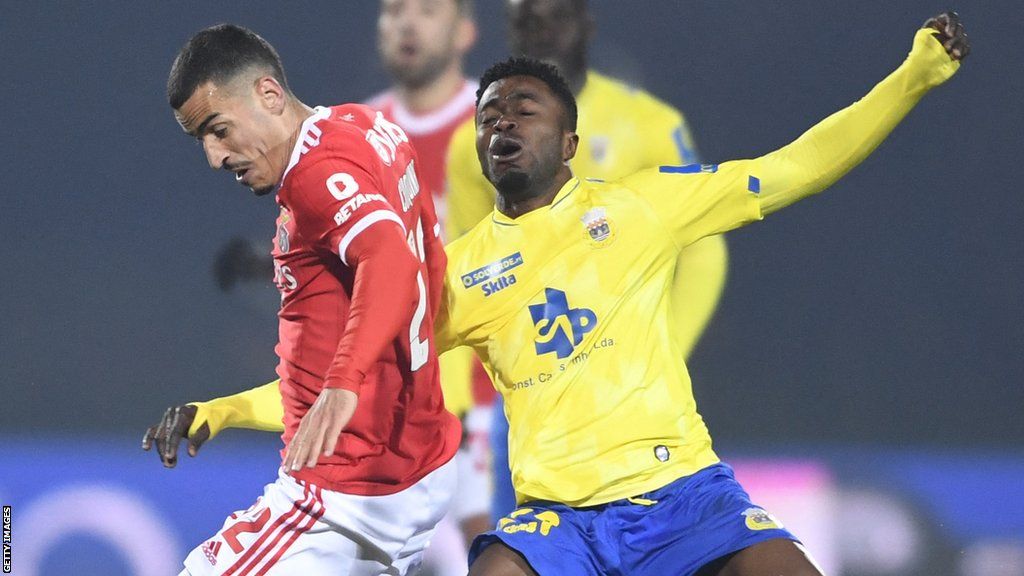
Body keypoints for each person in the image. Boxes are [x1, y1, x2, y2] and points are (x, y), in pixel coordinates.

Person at [150, 12, 970, 575]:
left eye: (525, 108)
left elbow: (797, 166)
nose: (501, 121)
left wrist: (913, 78)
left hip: (687, 496)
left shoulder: (643, 205)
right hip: (560, 526)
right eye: (487, 114)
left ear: (571, 141)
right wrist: (225, 410)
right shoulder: (462, 274)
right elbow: (363, 384)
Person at [143, 24, 461, 575]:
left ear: (268, 95)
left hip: (344, 492)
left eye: (219, 130)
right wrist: (226, 411)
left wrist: (342, 385)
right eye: (202, 140)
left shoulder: (317, 177)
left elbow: (388, 258)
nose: (215, 158)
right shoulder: (367, 127)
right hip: (412, 463)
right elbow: (407, 270)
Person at [204, 0, 494, 549]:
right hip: (408, 406)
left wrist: (341, 383)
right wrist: (276, 263)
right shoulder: (368, 121)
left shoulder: (499, 122)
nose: (407, 23)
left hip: (482, 394)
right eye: (394, 11)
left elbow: (401, 254)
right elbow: (361, 249)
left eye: (427, 10)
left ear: (465, 31)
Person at [443, 0, 730, 523]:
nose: (539, 30)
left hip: (641, 399)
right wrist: (453, 398)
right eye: (524, 19)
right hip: (533, 401)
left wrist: (665, 354)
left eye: (555, 15)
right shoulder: (475, 143)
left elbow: (704, 252)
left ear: (586, 26)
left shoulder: (650, 124)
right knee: (527, 544)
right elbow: (456, 276)